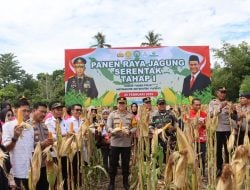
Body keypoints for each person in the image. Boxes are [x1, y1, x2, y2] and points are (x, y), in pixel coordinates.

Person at [2, 98, 34, 190]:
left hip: (30, 171)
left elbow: (31, 151)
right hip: (16, 172)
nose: (27, 113)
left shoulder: (30, 128)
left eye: (28, 111)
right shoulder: (7, 126)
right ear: (15, 111)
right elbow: (5, 150)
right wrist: (15, 137)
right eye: (24, 111)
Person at [107, 97, 134, 190]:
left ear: (126, 104)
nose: (121, 105)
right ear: (117, 104)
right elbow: (108, 127)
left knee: (125, 164)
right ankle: (111, 183)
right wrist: (113, 130)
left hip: (126, 144)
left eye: (123, 103)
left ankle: (125, 183)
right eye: (120, 103)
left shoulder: (130, 115)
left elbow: (135, 127)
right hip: (115, 143)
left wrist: (130, 131)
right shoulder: (112, 114)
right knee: (113, 164)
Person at [209, 87, 237, 177]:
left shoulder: (229, 103)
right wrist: (221, 106)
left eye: (224, 92)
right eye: (221, 92)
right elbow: (211, 114)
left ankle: (229, 168)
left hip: (228, 130)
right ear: (217, 93)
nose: (223, 94)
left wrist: (233, 110)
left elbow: (234, 117)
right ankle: (219, 168)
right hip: (217, 130)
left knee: (229, 150)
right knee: (218, 151)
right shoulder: (213, 103)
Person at [29, 102, 53, 190]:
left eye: (45, 112)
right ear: (34, 110)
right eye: (41, 111)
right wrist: (42, 144)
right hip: (34, 166)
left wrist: (51, 144)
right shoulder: (27, 126)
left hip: (45, 165)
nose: (43, 114)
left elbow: (47, 145)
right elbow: (28, 147)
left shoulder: (44, 126)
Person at [188, 98, 207, 176]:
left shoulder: (204, 114)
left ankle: (202, 174)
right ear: (192, 105)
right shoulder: (188, 114)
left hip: (202, 139)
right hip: (191, 139)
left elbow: (208, 126)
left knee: (202, 157)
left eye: (199, 104)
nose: (198, 106)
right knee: (192, 157)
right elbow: (186, 126)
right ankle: (193, 174)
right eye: (196, 105)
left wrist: (203, 124)